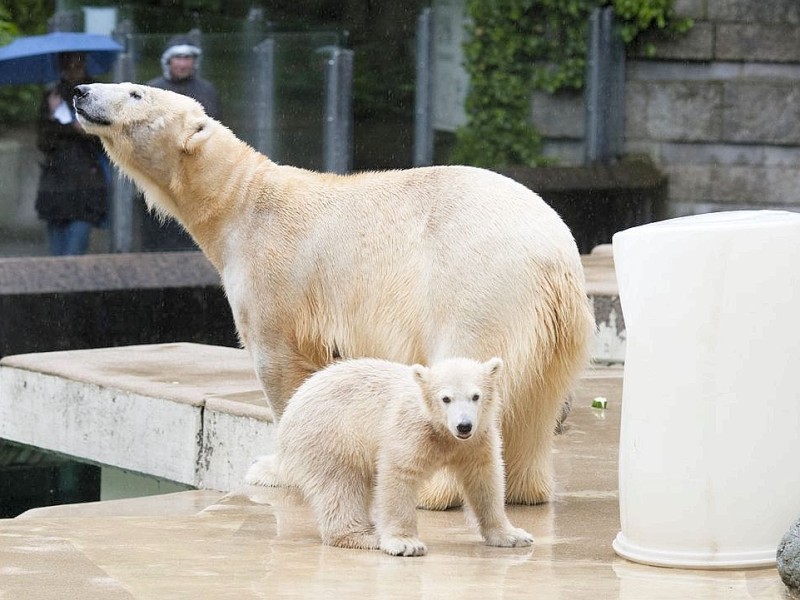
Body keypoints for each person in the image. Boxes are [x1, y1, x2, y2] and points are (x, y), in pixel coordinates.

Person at [139, 34, 222, 250]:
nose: (183, 63)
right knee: (161, 234)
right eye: (178, 58)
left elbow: (213, 132)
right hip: (161, 175)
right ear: (168, 61)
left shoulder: (206, 91)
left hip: (198, 176)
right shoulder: (153, 91)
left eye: (188, 58)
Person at [35, 52, 109, 256]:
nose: (73, 68)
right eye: (68, 63)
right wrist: (53, 117)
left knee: (74, 253)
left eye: (78, 63)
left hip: (86, 181)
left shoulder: (97, 94)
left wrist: (71, 126)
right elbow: (43, 143)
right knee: (56, 257)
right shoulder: (53, 96)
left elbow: (102, 139)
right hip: (55, 182)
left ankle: (72, 288)